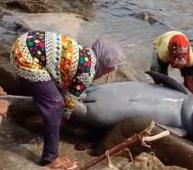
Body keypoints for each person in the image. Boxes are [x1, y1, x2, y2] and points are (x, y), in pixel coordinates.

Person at [9, 31, 126, 169]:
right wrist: (64, 117)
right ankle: (50, 158)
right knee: (55, 105)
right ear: (104, 63)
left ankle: (34, 104)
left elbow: (65, 75)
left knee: (51, 92)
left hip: (25, 42)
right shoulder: (87, 71)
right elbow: (69, 101)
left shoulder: (85, 53)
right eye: (110, 68)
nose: (110, 71)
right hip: (25, 57)